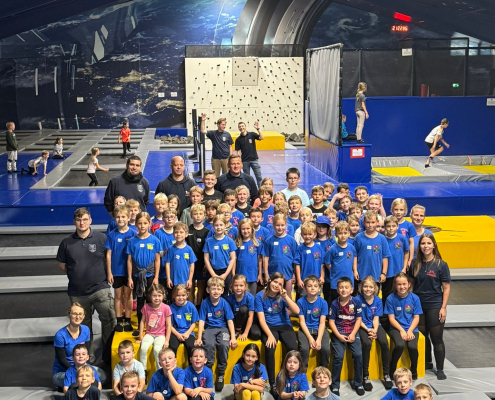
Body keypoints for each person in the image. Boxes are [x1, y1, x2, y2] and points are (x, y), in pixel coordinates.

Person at [57, 208, 116, 363]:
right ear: (74, 222)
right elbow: (62, 265)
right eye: (78, 220)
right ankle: (87, 357)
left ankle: (108, 355)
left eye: (84, 219)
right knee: (83, 326)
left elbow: (109, 258)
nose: (82, 223)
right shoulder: (66, 242)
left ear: (90, 220)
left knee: (110, 319)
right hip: (77, 292)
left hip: (100, 288)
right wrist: (76, 273)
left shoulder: (101, 238)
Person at [408, 233, 451, 380]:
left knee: (436, 338)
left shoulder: (441, 265)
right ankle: (427, 362)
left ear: (434, 245)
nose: (425, 246)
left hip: (435, 305)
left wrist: (443, 308)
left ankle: (440, 369)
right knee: (423, 336)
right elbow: (411, 285)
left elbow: (446, 288)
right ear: (419, 246)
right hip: (418, 306)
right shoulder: (414, 264)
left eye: (428, 243)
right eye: (423, 243)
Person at [255, 272, 299, 395]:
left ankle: (288, 378)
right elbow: (261, 319)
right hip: (269, 326)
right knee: (270, 348)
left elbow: (296, 311)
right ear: (270, 281)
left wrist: (286, 297)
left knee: (293, 349)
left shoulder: (282, 296)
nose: (277, 285)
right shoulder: (260, 296)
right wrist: (269, 335)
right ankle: (273, 384)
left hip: (284, 325)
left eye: (280, 284)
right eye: (275, 282)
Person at [194, 277, 238, 392]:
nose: (216, 291)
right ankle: (208, 371)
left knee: (224, 344)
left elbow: (230, 321)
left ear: (222, 291)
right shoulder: (204, 303)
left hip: (223, 329)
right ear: (208, 290)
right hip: (209, 329)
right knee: (208, 344)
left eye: (218, 289)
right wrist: (199, 337)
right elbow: (201, 321)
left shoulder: (224, 303)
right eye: (213, 289)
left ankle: (221, 374)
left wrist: (233, 337)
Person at [328, 277, 364, 397]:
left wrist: (353, 334)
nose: (344, 290)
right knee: (338, 356)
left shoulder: (356, 302)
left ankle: (358, 383)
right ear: (337, 290)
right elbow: (331, 322)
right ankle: (335, 385)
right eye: (341, 287)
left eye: (346, 287)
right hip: (338, 333)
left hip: (352, 332)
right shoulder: (334, 304)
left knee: (358, 355)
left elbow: (358, 319)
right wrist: (338, 336)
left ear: (351, 289)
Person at [127, 212, 162, 333]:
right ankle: (140, 327)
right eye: (140, 223)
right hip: (137, 275)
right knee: (140, 300)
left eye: (145, 223)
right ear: (136, 224)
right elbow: (129, 260)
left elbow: (157, 260)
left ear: (149, 224)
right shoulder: (132, 241)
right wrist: (130, 278)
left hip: (150, 274)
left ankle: (152, 327)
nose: (142, 226)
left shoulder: (154, 240)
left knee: (151, 300)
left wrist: (156, 277)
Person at [356, 276, 393, 391]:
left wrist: (375, 330)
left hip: (374, 326)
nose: (368, 289)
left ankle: (386, 374)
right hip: (361, 326)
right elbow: (358, 319)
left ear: (375, 288)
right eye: (365, 286)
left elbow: (376, 319)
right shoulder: (356, 300)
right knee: (367, 344)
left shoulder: (377, 300)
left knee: (384, 343)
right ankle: (365, 376)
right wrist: (368, 330)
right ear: (361, 287)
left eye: (370, 287)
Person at [385, 273, 422, 380]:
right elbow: (391, 319)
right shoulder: (390, 298)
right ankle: (392, 369)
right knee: (400, 345)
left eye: (404, 284)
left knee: (412, 347)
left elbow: (416, 318)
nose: (402, 287)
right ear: (395, 285)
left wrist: (410, 331)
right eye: (399, 284)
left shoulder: (415, 298)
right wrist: (401, 330)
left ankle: (414, 369)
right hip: (396, 328)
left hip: (411, 328)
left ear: (409, 284)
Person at [105, 205, 136, 332]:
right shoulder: (112, 235)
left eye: (123, 216)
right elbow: (108, 255)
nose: (120, 219)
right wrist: (109, 272)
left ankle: (127, 319)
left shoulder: (133, 234)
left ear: (128, 218)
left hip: (129, 272)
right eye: (118, 217)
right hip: (116, 271)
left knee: (128, 295)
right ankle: (119, 320)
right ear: (115, 219)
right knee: (117, 295)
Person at [53, 303, 91, 388]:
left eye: (80, 314)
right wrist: (78, 371)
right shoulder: (60, 335)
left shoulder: (86, 330)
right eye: (74, 314)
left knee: (102, 376)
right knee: (79, 381)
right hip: (64, 371)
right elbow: (62, 360)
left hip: (82, 367)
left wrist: (86, 371)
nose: (77, 317)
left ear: (83, 316)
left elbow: (86, 352)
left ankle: (81, 385)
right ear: (68, 315)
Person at [297, 276, 330, 369]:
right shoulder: (300, 302)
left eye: (315, 286)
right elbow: (302, 322)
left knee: (326, 349)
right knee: (304, 349)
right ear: (304, 288)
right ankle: (302, 372)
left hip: (319, 328)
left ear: (319, 289)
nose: (312, 288)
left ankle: (323, 371)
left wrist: (318, 339)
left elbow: (322, 323)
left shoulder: (323, 303)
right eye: (309, 286)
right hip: (305, 329)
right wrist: (310, 338)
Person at [353, 211, 391, 291]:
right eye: (368, 222)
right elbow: (354, 256)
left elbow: (385, 257)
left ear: (377, 222)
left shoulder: (382, 238)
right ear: (363, 223)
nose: (370, 225)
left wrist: (384, 273)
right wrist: (355, 270)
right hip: (361, 275)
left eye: (373, 222)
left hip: (376, 275)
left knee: (374, 296)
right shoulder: (358, 237)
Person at [138, 284, 172, 372]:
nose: (157, 298)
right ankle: (143, 371)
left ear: (163, 296)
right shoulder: (146, 307)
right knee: (143, 348)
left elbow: (169, 325)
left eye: (159, 295)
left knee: (157, 350)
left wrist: (167, 340)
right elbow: (142, 322)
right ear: (150, 296)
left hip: (161, 335)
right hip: (149, 334)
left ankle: (159, 371)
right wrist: (140, 335)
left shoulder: (166, 308)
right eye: (154, 296)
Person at [323, 221, 356, 308]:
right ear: (336, 234)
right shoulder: (332, 249)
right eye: (340, 233)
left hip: (349, 279)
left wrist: (355, 270)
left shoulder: (351, 247)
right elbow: (327, 262)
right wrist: (334, 270)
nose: (343, 235)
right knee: (336, 303)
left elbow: (354, 257)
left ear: (349, 233)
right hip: (336, 282)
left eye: (345, 233)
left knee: (348, 303)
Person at [203, 215, 237, 294]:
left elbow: (232, 258)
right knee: (212, 293)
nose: (219, 227)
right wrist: (213, 274)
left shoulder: (229, 241)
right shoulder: (209, 241)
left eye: (221, 225)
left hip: (225, 271)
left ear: (225, 225)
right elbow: (206, 259)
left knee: (224, 294)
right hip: (212, 271)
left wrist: (226, 274)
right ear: (213, 226)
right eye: (216, 225)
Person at [262, 215, 297, 290]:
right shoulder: (269, 241)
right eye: (277, 225)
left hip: (288, 274)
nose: (280, 228)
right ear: (273, 225)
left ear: (286, 225)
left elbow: (295, 258)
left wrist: (294, 274)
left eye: (282, 225)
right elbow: (265, 258)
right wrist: (266, 274)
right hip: (273, 274)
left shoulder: (291, 240)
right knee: (273, 295)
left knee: (287, 295)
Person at [383, 216, 409, 314]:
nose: (391, 228)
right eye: (388, 226)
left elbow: (406, 252)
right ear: (385, 227)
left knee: (399, 294)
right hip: (387, 273)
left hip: (399, 271)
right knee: (387, 295)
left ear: (397, 226)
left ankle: (399, 315)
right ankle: (386, 317)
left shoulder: (402, 238)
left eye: (393, 226)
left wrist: (404, 267)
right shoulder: (383, 239)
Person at [186, 204, 210, 304]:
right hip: (189, 263)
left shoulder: (207, 232)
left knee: (201, 285)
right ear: (191, 215)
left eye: (200, 214)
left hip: (202, 262)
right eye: (195, 214)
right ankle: (191, 307)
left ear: (204, 215)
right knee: (190, 286)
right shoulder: (187, 230)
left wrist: (206, 263)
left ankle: (199, 305)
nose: (198, 216)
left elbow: (208, 249)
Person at [227, 274, 261, 341]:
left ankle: (243, 330)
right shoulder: (229, 299)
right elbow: (230, 317)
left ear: (245, 286)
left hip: (247, 321)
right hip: (235, 322)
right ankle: (238, 330)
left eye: (241, 285)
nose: (238, 288)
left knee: (256, 335)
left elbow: (251, 316)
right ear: (232, 286)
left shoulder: (250, 298)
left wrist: (245, 333)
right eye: (236, 285)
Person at [169, 285, 199, 361]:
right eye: (178, 295)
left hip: (188, 332)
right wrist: (177, 334)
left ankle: (192, 365)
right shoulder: (171, 308)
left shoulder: (191, 307)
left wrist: (187, 333)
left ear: (187, 295)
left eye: (183, 295)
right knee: (172, 347)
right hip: (175, 332)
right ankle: (172, 366)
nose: (181, 298)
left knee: (191, 347)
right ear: (173, 296)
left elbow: (193, 323)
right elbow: (170, 325)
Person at [234, 219, 262, 295]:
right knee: (240, 296)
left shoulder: (257, 243)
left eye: (248, 228)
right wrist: (233, 274)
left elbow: (260, 259)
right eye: (243, 229)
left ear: (252, 229)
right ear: (240, 230)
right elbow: (234, 260)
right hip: (240, 275)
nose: (245, 231)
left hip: (252, 275)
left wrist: (260, 274)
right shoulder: (237, 243)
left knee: (251, 297)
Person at [295, 223, 324, 293]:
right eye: (305, 234)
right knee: (303, 297)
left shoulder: (319, 248)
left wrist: (322, 276)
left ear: (315, 235)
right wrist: (298, 279)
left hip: (316, 280)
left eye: (310, 234)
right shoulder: (299, 249)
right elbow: (297, 265)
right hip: (304, 280)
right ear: (301, 235)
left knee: (316, 297)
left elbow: (322, 264)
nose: (307, 236)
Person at [235, 120, 264, 187]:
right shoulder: (238, 139)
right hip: (245, 161)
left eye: (242, 126)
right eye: (240, 127)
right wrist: (239, 162)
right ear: (238, 128)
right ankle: (248, 191)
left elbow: (262, 138)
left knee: (259, 177)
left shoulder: (252, 135)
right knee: (247, 178)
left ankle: (261, 190)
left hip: (254, 160)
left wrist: (258, 129)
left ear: (245, 127)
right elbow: (238, 152)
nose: (241, 128)